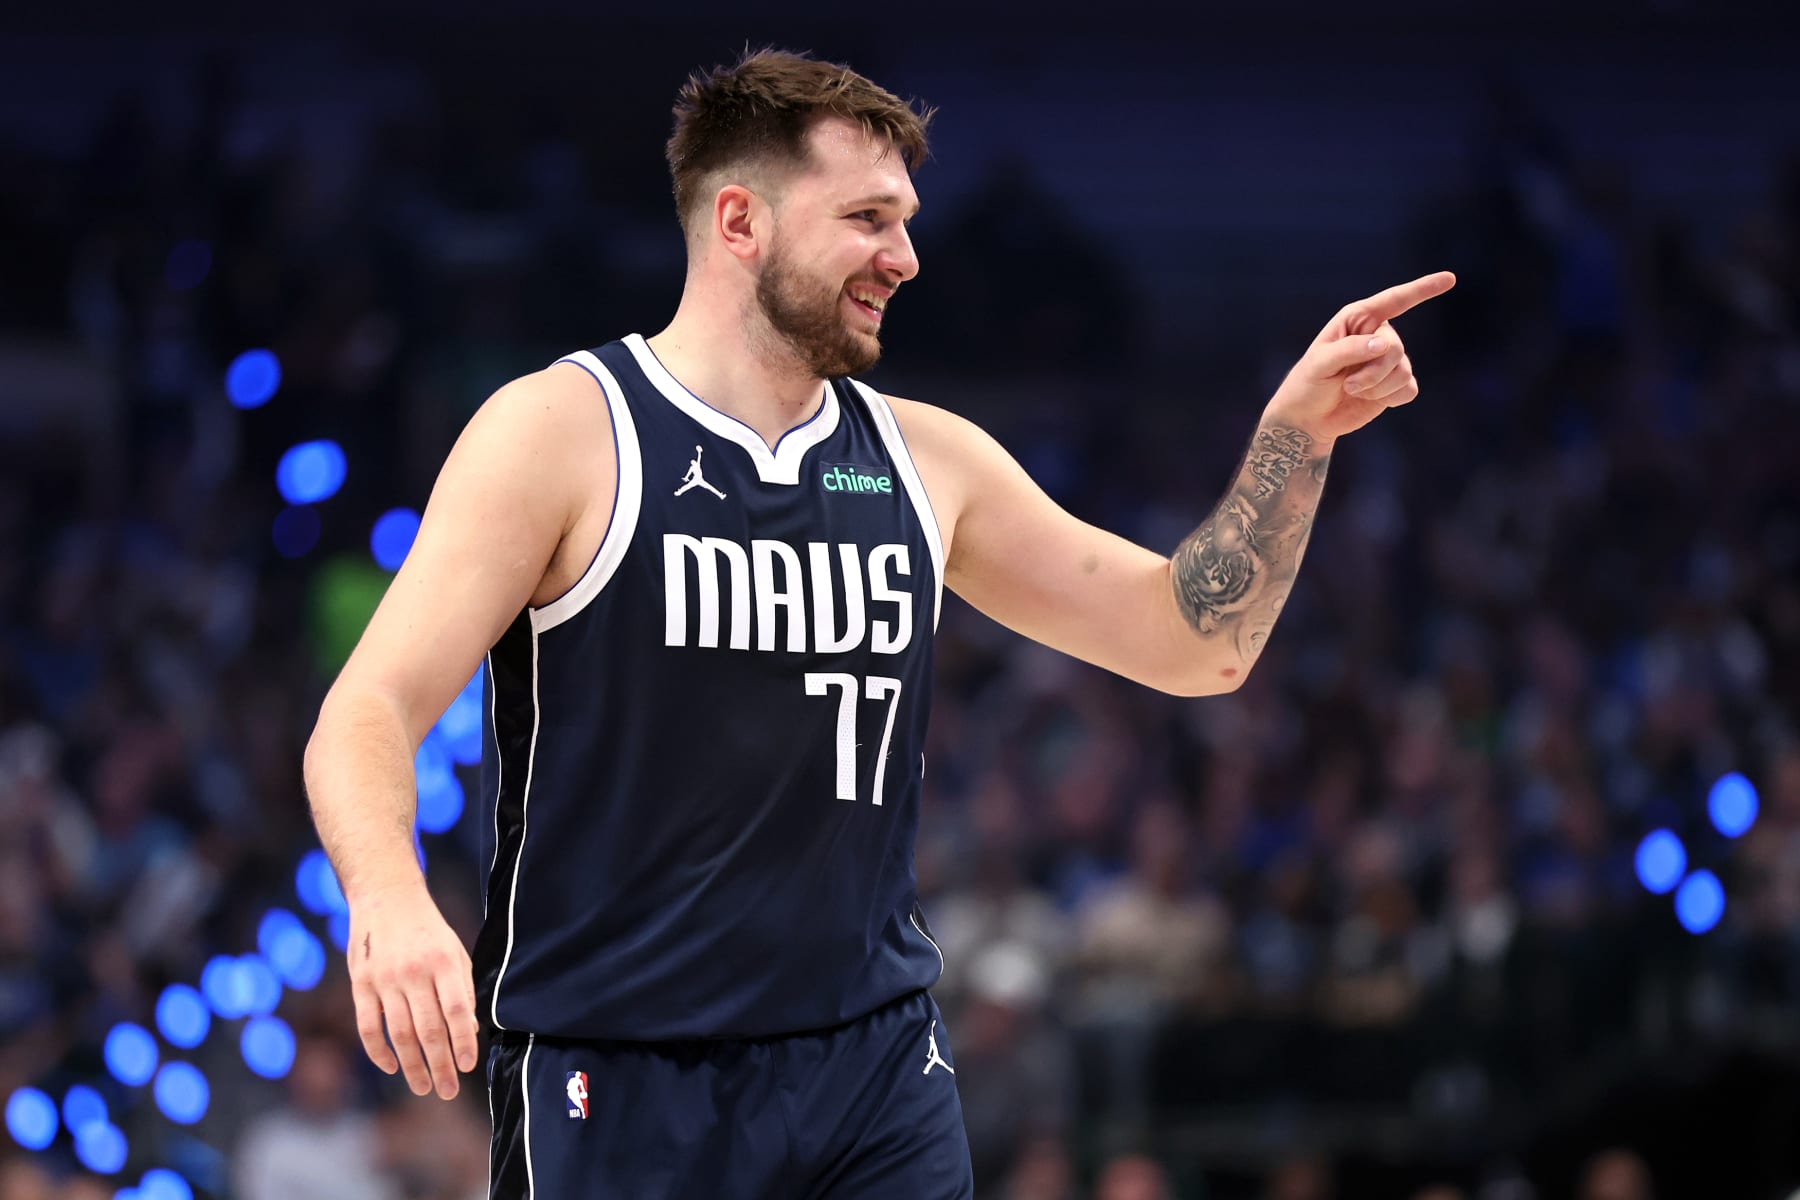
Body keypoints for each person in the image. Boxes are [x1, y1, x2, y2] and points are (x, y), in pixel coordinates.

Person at [303, 47, 1453, 1199]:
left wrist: (1298, 439)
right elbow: (369, 709)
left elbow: (1195, 642)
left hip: (873, 1067)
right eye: (866, 218)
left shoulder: (925, 458)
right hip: (622, 1069)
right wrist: (392, 900)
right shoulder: (561, 431)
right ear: (740, 221)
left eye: (905, 220)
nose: (904, 257)